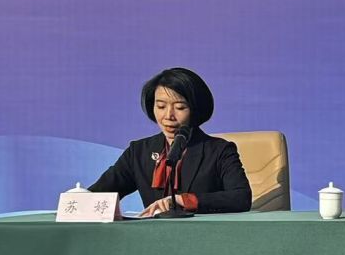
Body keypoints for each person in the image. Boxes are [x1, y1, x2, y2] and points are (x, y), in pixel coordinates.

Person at [89, 67, 252, 216]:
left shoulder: (219, 150)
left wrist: (182, 200)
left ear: (195, 110)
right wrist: (80, 197)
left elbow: (241, 197)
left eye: (180, 108)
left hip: (203, 234)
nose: (168, 116)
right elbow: (98, 193)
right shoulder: (138, 151)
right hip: (154, 235)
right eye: (161, 106)